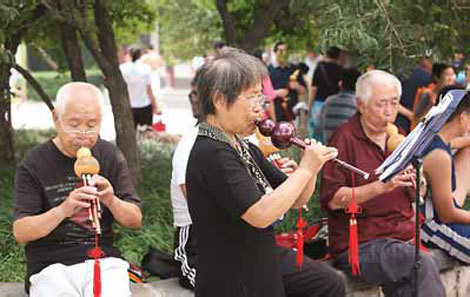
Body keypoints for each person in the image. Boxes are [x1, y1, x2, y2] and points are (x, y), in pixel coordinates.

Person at [186, 47, 341, 297]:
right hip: (232, 280)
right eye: (251, 98)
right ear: (218, 99)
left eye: (261, 98)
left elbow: (298, 200)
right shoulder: (212, 152)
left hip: (257, 269)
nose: (259, 108)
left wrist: (311, 167)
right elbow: (260, 214)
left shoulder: (242, 145)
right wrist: (305, 169)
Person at [320, 70, 445, 297]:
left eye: (394, 103)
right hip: (363, 244)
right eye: (381, 104)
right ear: (360, 104)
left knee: (412, 280)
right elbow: (334, 199)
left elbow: (417, 195)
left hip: (403, 237)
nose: (389, 112)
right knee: (421, 264)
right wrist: (382, 186)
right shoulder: (344, 140)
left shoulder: (400, 136)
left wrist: (419, 184)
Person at [13, 82, 142, 296]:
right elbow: (21, 232)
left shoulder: (109, 155)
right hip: (50, 265)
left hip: (103, 259)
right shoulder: (34, 163)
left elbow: (135, 220)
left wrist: (111, 199)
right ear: (57, 119)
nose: (84, 134)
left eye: (92, 124)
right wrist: (64, 209)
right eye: (74, 124)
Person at [419, 87, 470, 264]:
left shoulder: (438, 138)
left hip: (442, 217)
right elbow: (447, 214)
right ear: (463, 118)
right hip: (431, 226)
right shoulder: (439, 156)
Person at [120, 47, 161, 128]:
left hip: (129, 106)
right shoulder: (146, 68)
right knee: (146, 134)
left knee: (130, 133)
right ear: (140, 55)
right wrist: (156, 107)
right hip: (144, 106)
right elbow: (149, 90)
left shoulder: (122, 68)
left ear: (129, 55)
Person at [317, 67, 361, 143]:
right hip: (349, 150)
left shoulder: (328, 101)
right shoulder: (358, 104)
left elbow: (319, 126)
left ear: (340, 84)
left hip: (329, 147)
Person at [308, 46, 343, 139]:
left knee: (317, 134)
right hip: (335, 105)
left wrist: (309, 107)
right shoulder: (340, 69)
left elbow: (313, 89)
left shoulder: (320, 67)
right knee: (332, 134)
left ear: (327, 54)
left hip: (319, 104)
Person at [268, 41, 307, 122]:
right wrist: (275, 93)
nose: (283, 53)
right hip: (274, 113)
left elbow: (304, 91)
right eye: (280, 51)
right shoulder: (268, 69)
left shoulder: (294, 69)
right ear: (275, 52)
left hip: (292, 114)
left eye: (286, 51)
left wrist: (297, 86)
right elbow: (262, 93)